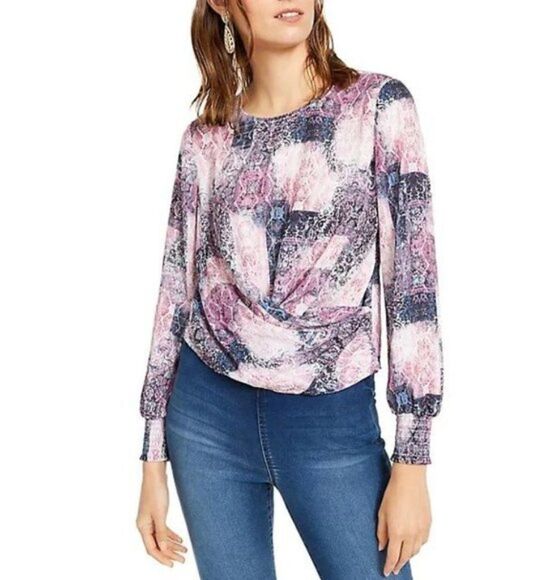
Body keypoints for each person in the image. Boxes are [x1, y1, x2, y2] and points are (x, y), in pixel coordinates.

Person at [135, 1, 444, 578]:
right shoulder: (206, 139)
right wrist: (152, 456)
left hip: (330, 421)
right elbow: (176, 288)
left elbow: (413, 288)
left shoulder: (378, 107)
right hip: (206, 419)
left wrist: (413, 459)